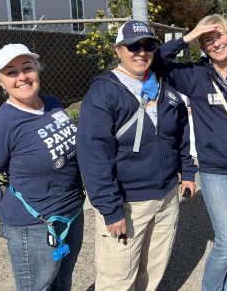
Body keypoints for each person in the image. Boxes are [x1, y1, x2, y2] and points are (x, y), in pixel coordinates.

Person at [76, 20, 197, 291]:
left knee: (153, 270)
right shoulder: (104, 91)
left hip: (166, 197)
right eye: (133, 46)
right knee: (118, 279)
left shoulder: (161, 84)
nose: (141, 52)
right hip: (127, 203)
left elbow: (179, 133)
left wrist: (187, 172)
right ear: (118, 49)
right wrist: (110, 209)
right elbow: (94, 156)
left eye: (148, 45)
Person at [154, 14, 227, 291]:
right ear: (202, 46)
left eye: (219, 36)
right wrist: (189, 35)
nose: (216, 44)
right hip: (215, 170)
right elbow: (154, 63)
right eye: (208, 40)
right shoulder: (194, 76)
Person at [0, 44, 85, 290]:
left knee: (63, 281)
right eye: (11, 72)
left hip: (71, 213)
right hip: (34, 225)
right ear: (0, 82)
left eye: (27, 67)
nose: (22, 76)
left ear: (37, 70)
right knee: (37, 286)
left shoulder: (52, 103)